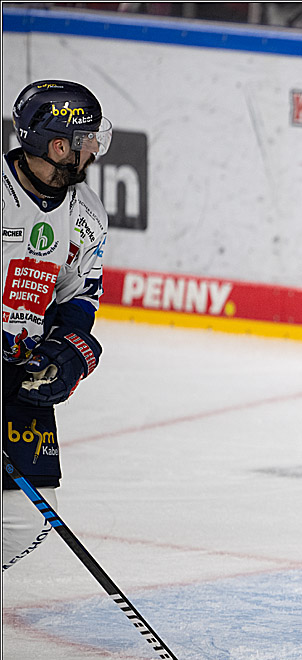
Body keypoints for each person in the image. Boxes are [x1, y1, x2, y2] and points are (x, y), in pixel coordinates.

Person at [2, 80, 112, 570]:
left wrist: (67, 351)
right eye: (86, 139)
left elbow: (78, 298)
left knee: (25, 516)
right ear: (58, 145)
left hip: (18, 374)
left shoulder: (87, 213)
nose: (93, 149)